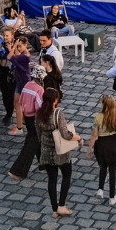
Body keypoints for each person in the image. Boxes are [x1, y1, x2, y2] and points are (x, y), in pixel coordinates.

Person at [36, 88, 81, 219]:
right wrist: (77, 137)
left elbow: (38, 135)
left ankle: (54, 209)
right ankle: (61, 205)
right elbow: (65, 134)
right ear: (55, 100)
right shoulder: (58, 113)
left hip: (46, 152)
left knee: (52, 179)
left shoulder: (39, 113)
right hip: (60, 152)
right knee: (66, 175)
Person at [88, 95, 116, 206]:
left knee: (103, 167)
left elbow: (94, 135)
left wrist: (90, 148)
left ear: (103, 105)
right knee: (112, 171)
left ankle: (100, 189)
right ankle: (112, 197)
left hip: (102, 145)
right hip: (113, 145)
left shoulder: (98, 117)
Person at [7, 75, 45, 180]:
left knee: (37, 141)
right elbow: (39, 108)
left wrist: (22, 119)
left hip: (27, 119)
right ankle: (17, 171)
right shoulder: (39, 89)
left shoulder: (27, 85)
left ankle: (44, 165)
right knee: (30, 145)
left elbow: (20, 102)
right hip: (35, 120)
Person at [7, 38, 32, 135]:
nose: (19, 48)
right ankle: (23, 123)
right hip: (21, 81)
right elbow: (16, 56)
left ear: (26, 45)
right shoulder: (24, 55)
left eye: (20, 46)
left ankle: (19, 128)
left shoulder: (24, 57)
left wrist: (12, 47)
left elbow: (10, 57)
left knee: (18, 105)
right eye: (18, 46)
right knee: (19, 104)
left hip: (22, 82)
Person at [0, 28, 16, 125]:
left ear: (12, 36)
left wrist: (11, 50)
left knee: (10, 93)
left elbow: (17, 59)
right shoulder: (1, 45)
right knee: (5, 93)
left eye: (7, 35)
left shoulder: (15, 46)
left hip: (11, 72)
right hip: (1, 71)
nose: (5, 37)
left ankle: (10, 112)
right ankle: (8, 112)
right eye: (4, 35)